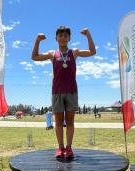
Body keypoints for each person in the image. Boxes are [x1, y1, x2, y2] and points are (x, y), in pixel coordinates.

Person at [32, 26, 96, 158]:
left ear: (69, 38)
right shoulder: (52, 54)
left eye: (65, 35)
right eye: (60, 35)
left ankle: (69, 148)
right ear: (56, 38)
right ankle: (60, 148)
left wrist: (88, 35)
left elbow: (92, 52)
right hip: (57, 92)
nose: (63, 38)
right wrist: (38, 40)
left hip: (72, 91)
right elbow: (34, 57)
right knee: (59, 122)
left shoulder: (74, 52)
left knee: (70, 121)